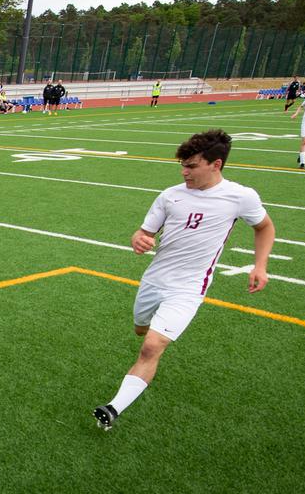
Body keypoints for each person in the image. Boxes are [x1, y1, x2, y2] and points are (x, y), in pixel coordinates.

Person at [92, 129, 275, 430]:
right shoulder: (170, 195)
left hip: (189, 288)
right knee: (141, 330)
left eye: (191, 166)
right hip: (154, 280)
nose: (184, 171)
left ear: (216, 165)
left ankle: (113, 409)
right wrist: (138, 240)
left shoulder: (241, 197)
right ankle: (145, 356)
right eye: (183, 165)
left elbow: (265, 227)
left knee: (152, 346)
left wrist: (260, 265)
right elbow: (144, 233)